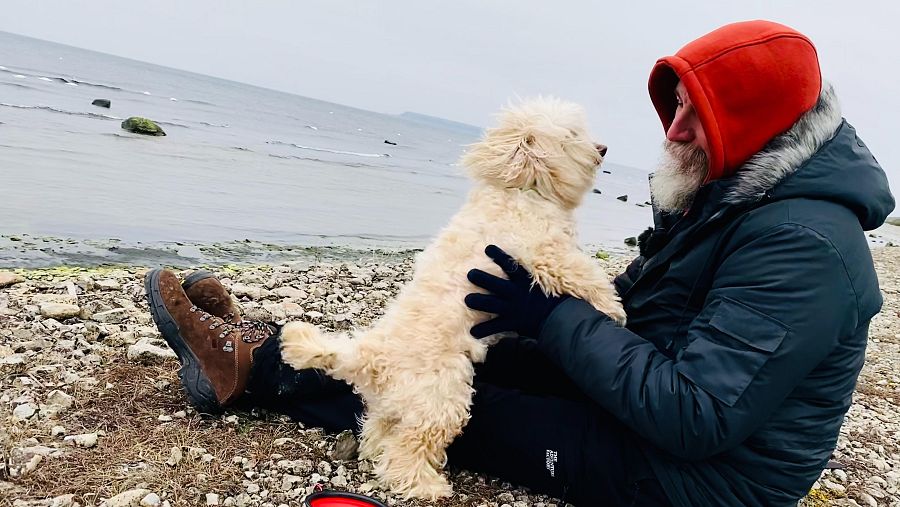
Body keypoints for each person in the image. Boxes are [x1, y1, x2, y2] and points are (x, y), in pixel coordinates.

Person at [144, 20, 893, 506]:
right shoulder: (727, 196)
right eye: (675, 102)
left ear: (757, 126)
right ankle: (270, 346)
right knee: (463, 353)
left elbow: (697, 415)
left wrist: (556, 315)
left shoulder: (805, 244)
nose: (676, 128)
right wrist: (535, 321)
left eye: (701, 113)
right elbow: (640, 305)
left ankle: (249, 368)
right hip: (650, 395)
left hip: (705, 475)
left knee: (459, 406)